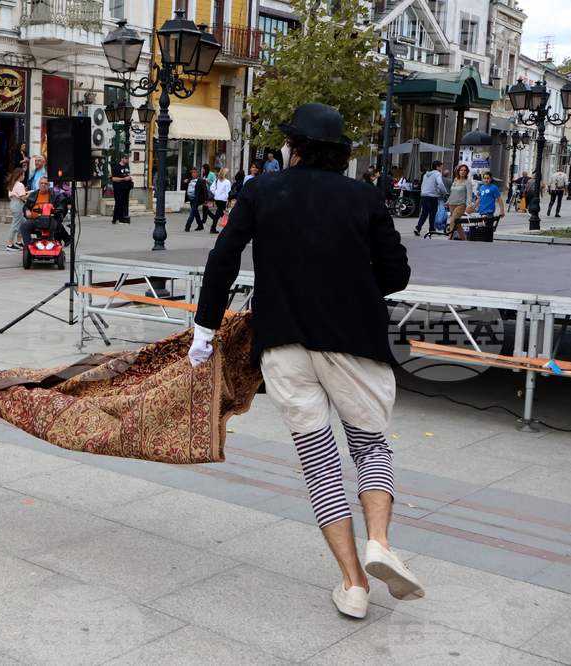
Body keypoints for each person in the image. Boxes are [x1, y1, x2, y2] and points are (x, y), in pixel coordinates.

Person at [189, 103, 421, 619]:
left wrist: (205, 330)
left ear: (292, 148)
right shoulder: (365, 196)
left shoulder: (261, 190)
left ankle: (353, 585)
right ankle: (379, 542)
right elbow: (396, 273)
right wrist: (352, 288)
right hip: (352, 342)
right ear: (338, 154)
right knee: (368, 444)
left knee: (318, 460)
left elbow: (222, 258)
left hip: (284, 342)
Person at [20, 176, 70, 248]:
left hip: (49, 218)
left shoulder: (55, 195)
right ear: (39, 184)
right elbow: (26, 206)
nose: (43, 185)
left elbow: (60, 206)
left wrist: (55, 210)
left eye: (46, 183)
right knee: (24, 225)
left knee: (51, 225)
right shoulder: (34, 194)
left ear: (49, 185)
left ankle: (47, 245)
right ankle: (28, 246)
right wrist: (27, 210)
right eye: (42, 183)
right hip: (35, 219)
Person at [414, 160, 449, 236]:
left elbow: (423, 184)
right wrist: (445, 192)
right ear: (437, 167)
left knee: (424, 213)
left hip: (424, 195)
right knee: (432, 214)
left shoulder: (426, 175)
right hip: (432, 196)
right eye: (441, 166)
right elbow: (440, 183)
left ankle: (418, 227)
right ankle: (432, 230)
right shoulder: (437, 174)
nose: (442, 168)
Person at [445, 164, 475, 240]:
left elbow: (469, 195)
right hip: (452, 203)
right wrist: (448, 202)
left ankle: (450, 238)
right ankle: (463, 239)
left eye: (465, 170)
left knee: (453, 221)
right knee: (457, 223)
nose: (463, 172)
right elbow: (452, 193)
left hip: (461, 204)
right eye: (461, 170)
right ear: (458, 171)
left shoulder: (467, 182)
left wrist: (469, 206)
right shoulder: (455, 180)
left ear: (467, 172)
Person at [6, 167, 29, 251]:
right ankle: (10, 244)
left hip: (13, 203)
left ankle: (19, 242)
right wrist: (29, 194)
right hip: (18, 204)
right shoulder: (20, 184)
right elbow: (23, 197)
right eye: (23, 175)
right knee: (15, 224)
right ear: (20, 175)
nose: (24, 176)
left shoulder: (13, 183)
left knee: (22, 222)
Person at [184, 167, 209, 232]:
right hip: (191, 198)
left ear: (198, 173)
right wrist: (185, 182)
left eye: (195, 172)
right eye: (192, 172)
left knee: (192, 213)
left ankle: (187, 226)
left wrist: (206, 198)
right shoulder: (190, 180)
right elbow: (185, 187)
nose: (193, 173)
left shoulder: (201, 181)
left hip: (196, 199)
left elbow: (205, 190)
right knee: (196, 213)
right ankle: (200, 225)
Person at [111, 153, 133, 225]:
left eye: (127, 158)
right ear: (122, 158)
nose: (127, 160)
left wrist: (129, 178)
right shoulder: (117, 167)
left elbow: (127, 175)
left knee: (124, 203)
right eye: (126, 158)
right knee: (119, 203)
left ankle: (121, 217)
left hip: (126, 187)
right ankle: (115, 218)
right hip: (119, 188)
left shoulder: (127, 167)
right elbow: (114, 178)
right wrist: (124, 179)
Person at [208, 167, 231, 235]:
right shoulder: (227, 182)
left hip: (217, 198)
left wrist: (216, 193)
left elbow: (212, 188)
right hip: (223, 199)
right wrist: (228, 200)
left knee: (221, 213)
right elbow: (228, 192)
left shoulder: (217, 181)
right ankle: (213, 227)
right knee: (219, 213)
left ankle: (223, 225)